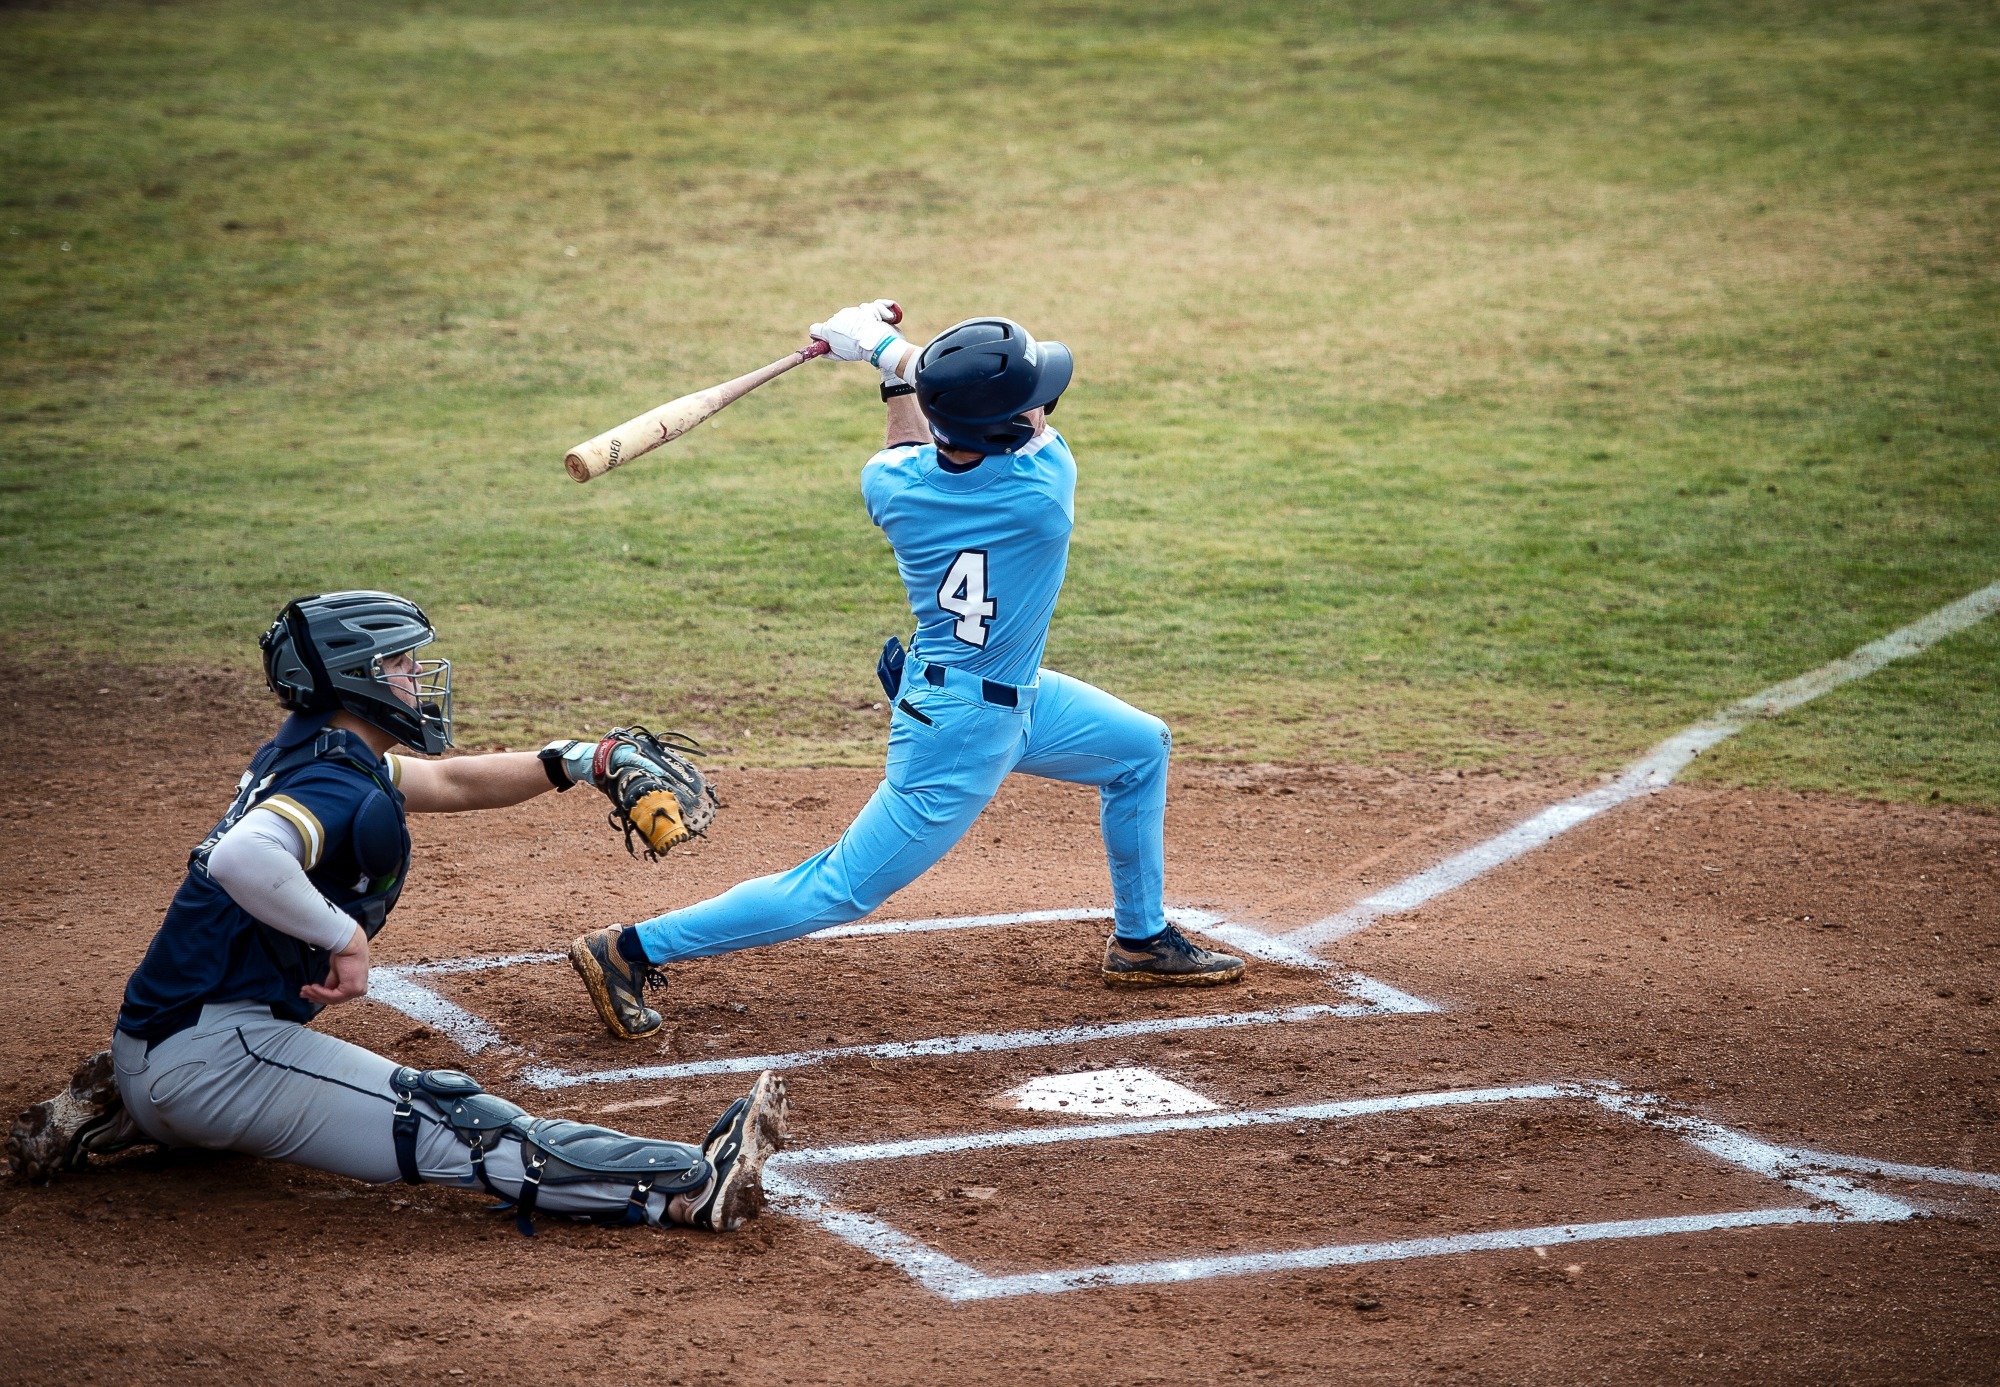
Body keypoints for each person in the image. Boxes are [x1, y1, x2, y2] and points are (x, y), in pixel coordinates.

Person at [7, 590, 786, 1234]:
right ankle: (687, 1185)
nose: (419, 678)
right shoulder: (334, 786)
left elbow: (446, 784)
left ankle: (125, 1111)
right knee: (455, 1121)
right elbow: (242, 857)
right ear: (358, 677)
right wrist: (340, 933)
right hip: (215, 1059)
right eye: (403, 665)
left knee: (422, 1106)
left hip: (177, 1043)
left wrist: (583, 759)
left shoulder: (319, 751)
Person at [568, 305, 1247, 1043]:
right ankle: (629, 949)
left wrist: (884, 365)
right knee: (842, 887)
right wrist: (885, 349)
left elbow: (914, 428)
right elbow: (957, 402)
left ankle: (1140, 942)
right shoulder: (1043, 491)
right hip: (960, 733)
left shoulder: (892, 489)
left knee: (1140, 747)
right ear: (1008, 430)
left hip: (1010, 697)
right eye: (1030, 403)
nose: (1043, 407)